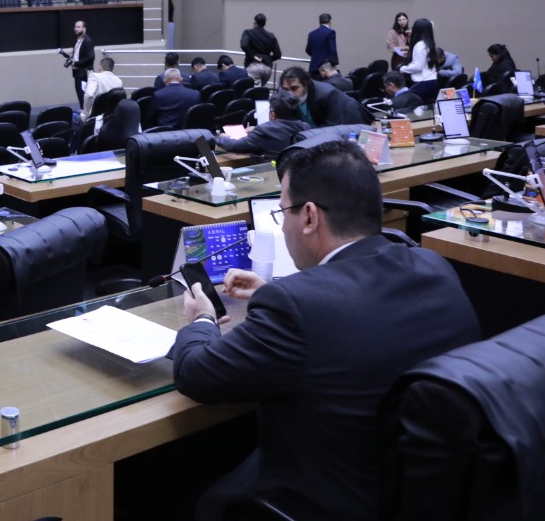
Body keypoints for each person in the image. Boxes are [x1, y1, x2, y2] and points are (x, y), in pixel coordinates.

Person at [171, 140, 479, 519]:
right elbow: (357, 318)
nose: (283, 224)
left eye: (283, 211)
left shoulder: (297, 306)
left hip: (330, 498)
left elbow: (196, 374)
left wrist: (202, 318)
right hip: (428, 495)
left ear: (310, 217)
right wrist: (274, 294)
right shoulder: (434, 266)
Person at [214, 92, 309, 160]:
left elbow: (234, 146)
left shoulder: (266, 130)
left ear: (273, 114)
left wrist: (221, 137)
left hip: (272, 172)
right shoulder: (305, 127)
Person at [279, 66, 371, 127]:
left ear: (305, 84)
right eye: (286, 89)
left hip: (349, 119)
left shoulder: (327, 94)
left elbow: (332, 126)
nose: (289, 94)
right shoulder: (283, 93)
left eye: (294, 88)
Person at [397, 16, 440, 102]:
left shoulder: (419, 45)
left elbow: (418, 67)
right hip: (433, 81)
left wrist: (402, 68)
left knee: (417, 111)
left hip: (421, 83)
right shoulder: (430, 44)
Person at [240, 13, 281, 85]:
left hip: (253, 66)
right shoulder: (271, 36)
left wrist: (253, 56)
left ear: (255, 22)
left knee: (253, 92)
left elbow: (244, 45)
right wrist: (268, 58)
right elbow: (278, 54)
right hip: (267, 69)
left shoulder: (248, 32)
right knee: (260, 91)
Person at [80, 56, 124, 122]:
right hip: (111, 116)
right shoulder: (119, 81)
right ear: (112, 68)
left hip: (94, 116)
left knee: (74, 115)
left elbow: (89, 95)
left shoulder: (94, 76)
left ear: (100, 67)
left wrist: (85, 114)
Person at [67, 20, 94, 108]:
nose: (76, 29)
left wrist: (77, 63)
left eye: (79, 27)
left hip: (84, 73)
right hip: (78, 72)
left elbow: (91, 57)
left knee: (84, 96)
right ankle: (83, 112)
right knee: (80, 95)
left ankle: (85, 116)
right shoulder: (77, 41)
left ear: (84, 28)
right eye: (75, 27)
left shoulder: (87, 41)